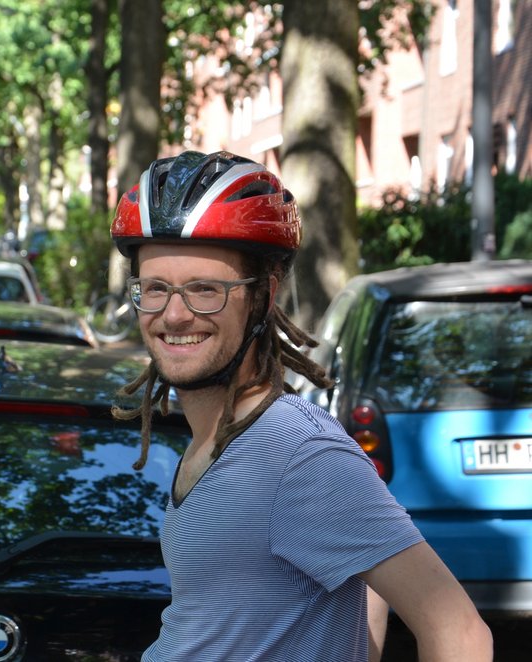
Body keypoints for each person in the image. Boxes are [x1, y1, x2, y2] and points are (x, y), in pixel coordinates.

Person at [109, 150, 492, 661]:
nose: (174, 314)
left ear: (264, 296)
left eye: (205, 290)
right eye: (154, 289)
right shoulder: (223, 439)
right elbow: (365, 578)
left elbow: (460, 634)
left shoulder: (298, 454)